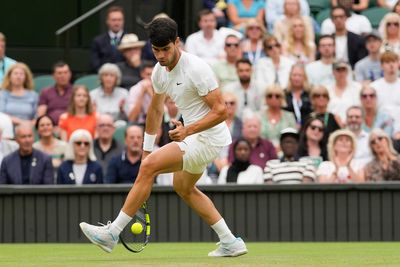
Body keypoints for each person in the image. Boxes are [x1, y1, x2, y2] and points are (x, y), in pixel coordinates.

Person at [80, 17, 248, 257]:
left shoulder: (197, 69)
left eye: (166, 49)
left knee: (150, 169)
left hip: (208, 138)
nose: (160, 55)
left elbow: (221, 111)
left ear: (177, 42)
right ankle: (230, 241)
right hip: (193, 137)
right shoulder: (159, 71)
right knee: (184, 188)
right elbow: (156, 110)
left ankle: (112, 233)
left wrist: (187, 130)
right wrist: (147, 150)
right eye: (156, 50)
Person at [370, 51, 400, 142]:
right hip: (380, 128)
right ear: (381, 66)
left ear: (398, 64)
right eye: (387, 62)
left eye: (394, 62)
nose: (391, 65)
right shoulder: (373, 87)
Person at [259, 85, 297, 151]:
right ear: (266, 99)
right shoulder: (258, 116)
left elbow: (293, 137)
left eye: (277, 96)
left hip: (285, 152)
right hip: (262, 151)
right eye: (270, 96)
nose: (273, 98)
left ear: (282, 99)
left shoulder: (289, 116)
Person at [37, 61, 73, 125]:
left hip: (70, 126)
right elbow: (41, 116)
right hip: (50, 128)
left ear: (70, 74)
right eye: (59, 73)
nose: (63, 76)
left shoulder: (75, 92)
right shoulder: (46, 92)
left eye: (65, 72)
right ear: (53, 76)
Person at [91, 6, 125, 72]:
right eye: (114, 20)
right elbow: (95, 64)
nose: (117, 23)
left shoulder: (130, 39)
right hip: (105, 76)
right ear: (107, 21)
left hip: (126, 77)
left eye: (119, 20)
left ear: (123, 21)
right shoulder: (98, 41)